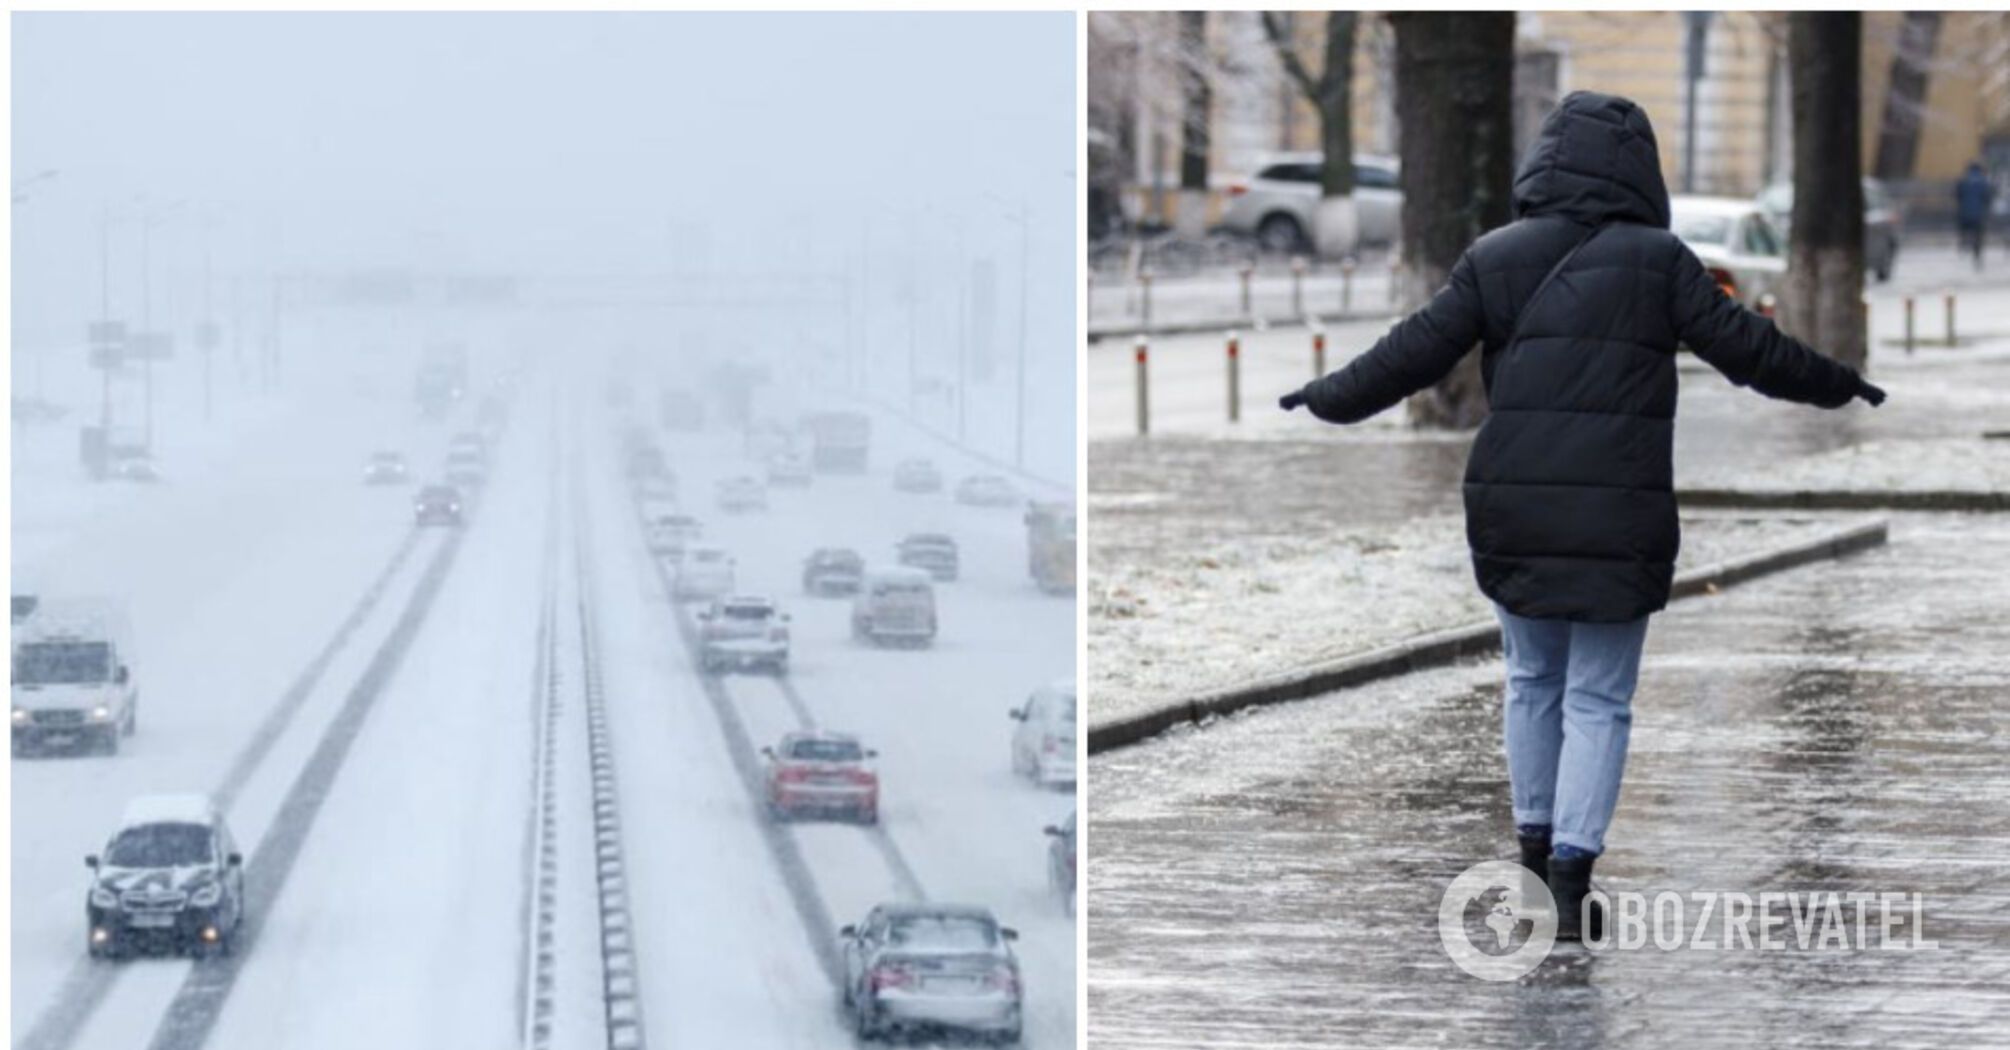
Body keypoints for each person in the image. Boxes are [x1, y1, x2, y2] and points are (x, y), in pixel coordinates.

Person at [1277, 92, 1886, 941]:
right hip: (1619, 516)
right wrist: (1839, 381)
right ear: (1639, 169)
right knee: (1599, 696)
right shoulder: (1661, 261)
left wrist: (1324, 398)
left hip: (1513, 506)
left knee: (1532, 680)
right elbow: (1750, 351)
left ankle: (1529, 862)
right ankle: (1568, 885)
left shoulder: (1495, 257)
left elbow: (1410, 352)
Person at [1956, 161, 1993, 270]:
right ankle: (1977, 254)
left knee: (1964, 229)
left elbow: (1958, 195)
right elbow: (1987, 198)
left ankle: (1964, 243)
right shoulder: (1983, 182)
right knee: (1978, 235)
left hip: (1964, 213)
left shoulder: (1963, 181)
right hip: (1979, 214)